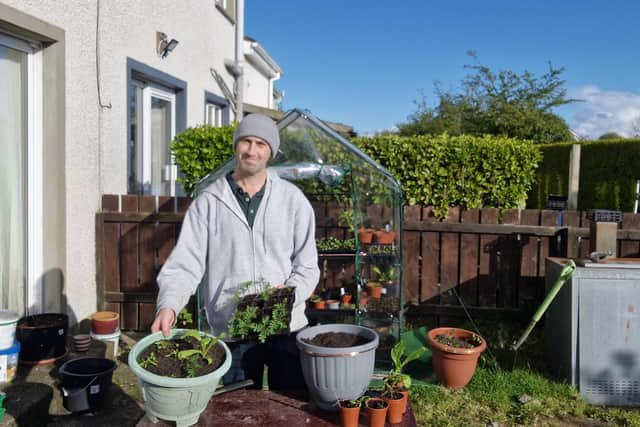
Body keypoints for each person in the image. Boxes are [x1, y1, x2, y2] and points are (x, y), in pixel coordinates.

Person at [151, 113, 320, 390]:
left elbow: (307, 266)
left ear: (271, 152)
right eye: (246, 141)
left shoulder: (293, 201)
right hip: (231, 329)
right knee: (236, 410)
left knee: (290, 406)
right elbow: (185, 264)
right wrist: (169, 304)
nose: (252, 150)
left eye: (261, 144)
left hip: (285, 327)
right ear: (236, 146)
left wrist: (286, 296)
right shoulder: (208, 202)